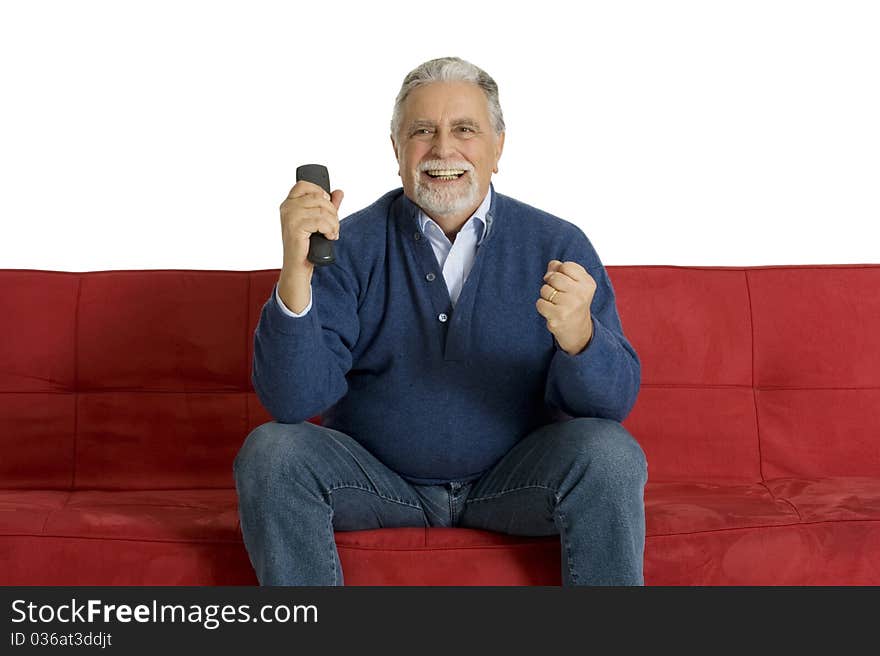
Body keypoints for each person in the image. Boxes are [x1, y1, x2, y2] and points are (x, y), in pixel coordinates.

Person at [234, 56, 647, 586]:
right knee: (271, 452)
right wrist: (296, 272)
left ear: (498, 148)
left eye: (465, 130)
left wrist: (580, 340)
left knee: (610, 455)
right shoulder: (349, 245)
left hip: (513, 485)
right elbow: (291, 402)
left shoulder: (557, 244)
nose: (443, 149)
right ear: (397, 150)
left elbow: (610, 408)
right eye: (422, 131)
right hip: (378, 483)